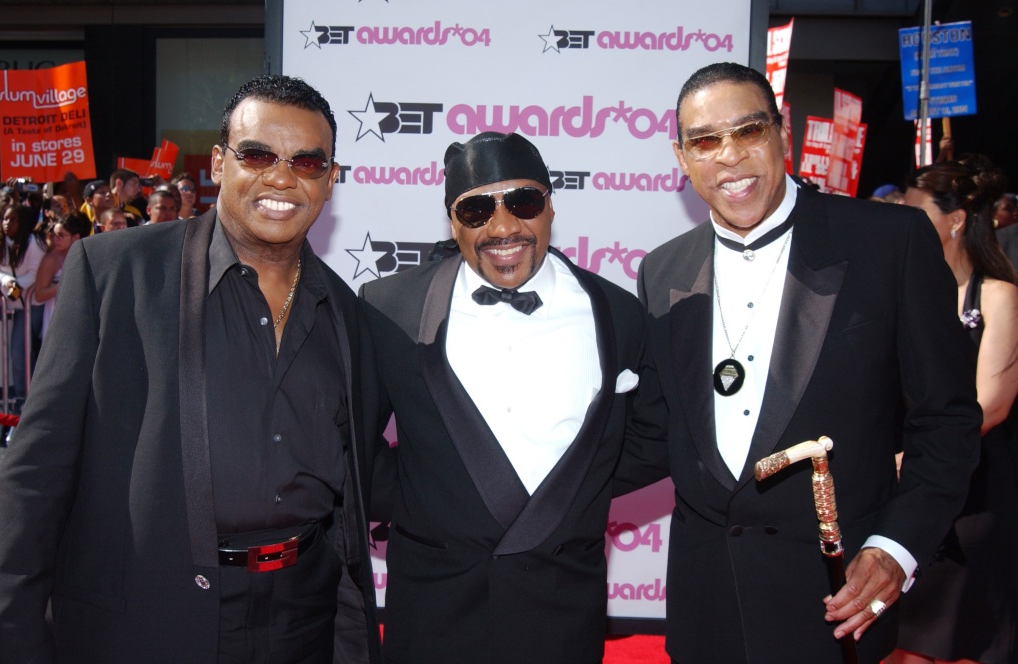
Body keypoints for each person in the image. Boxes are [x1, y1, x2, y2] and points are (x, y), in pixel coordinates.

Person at [0, 74, 381, 664]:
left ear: (330, 181)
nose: (282, 177)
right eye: (257, 155)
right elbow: (36, 473)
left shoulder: (349, 314)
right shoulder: (116, 272)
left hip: (305, 617)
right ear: (221, 164)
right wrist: (14, 634)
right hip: (149, 619)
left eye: (307, 162)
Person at [624, 62, 981, 663]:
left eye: (749, 131)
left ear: (781, 131)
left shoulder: (889, 241)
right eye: (706, 141)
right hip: (706, 611)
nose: (730, 157)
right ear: (682, 158)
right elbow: (653, 433)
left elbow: (946, 419)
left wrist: (897, 546)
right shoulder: (661, 272)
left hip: (835, 604)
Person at [359, 131, 661, 664]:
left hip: (562, 608)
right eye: (476, 210)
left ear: (549, 206)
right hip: (433, 608)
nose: (503, 227)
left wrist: (577, 498)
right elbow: (351, 441)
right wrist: (428, 502)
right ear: (452, 222)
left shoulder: (619, 313)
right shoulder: (389, 307)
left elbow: (651, 434)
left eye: (523, 201)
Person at [890, 156, 1018, 664]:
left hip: (973, 492)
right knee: (900, 641)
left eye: (916, 212)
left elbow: (993, 403)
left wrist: (918, 457)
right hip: (906, 493)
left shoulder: (997, 296)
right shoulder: (906, 293)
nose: (904, 222)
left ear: (956, 221)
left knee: (958, 639)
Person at [0, 204, 45, 400]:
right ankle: (17, 395)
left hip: (31, 307)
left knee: (20, 351)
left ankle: (25, 397)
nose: (7, 224)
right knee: (6, 352)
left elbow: (34, 274)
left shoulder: (34, 243)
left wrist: (14, 286)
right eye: (5, 219)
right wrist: (6, 283)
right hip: (7, 304)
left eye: (13, 220)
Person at [31, 212, 85, 340]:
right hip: (55, 316)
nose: (55, 239)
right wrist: (63, 286)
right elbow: (39, 294)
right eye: (54, 235)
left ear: (75, 237)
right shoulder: (50, 259)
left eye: (61, 235)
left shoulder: (84, 255)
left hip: (79, 315)